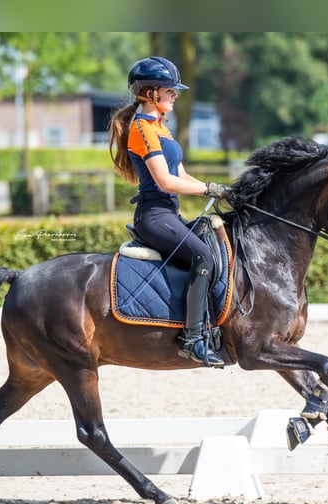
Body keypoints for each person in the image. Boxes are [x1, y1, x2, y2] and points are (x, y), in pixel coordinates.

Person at [108, 56, 230, 367]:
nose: (175, 95)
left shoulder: (160, 126)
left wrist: (218, 188)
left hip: (168, 214)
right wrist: (207, 189)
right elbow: (165, 180)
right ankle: (192, 338)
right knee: (203, 256)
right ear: (151, 94)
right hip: (154, 217)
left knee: (213, 245)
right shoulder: (142, 129)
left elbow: (182, 175)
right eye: (170, 91)